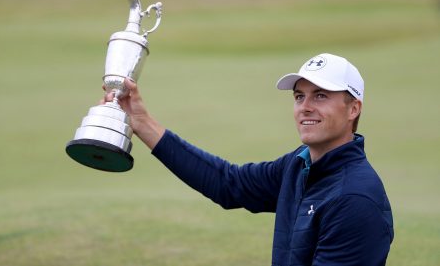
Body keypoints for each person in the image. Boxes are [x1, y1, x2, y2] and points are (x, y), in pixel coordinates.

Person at [103, 53, 394, 266]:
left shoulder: (355, 199)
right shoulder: (299, 165)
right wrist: (141, 122)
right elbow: (228, 183)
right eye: (298, 96)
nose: (305, 107)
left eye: (320, 96)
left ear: (353, 109)